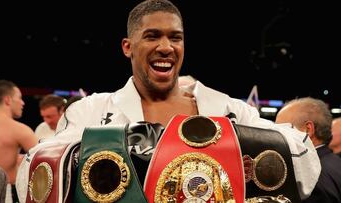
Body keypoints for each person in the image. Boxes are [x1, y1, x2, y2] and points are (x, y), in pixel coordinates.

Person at [17, 0, 320, 201]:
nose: (166, 47)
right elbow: (33, 171)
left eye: (175, 37)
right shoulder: (91, 110)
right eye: (152, 36)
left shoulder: (228, 109)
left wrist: (243, 149)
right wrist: (130, 146)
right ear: (128, 47)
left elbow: (304, 157)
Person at [275, 97, 341, 203]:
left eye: (282, 129)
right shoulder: (335, 162)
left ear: (308, 130)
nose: (275, 136)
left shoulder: (309, 179)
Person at [0, 80, 38, 202]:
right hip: (4, 193)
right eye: (19, 98)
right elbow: (46, 164)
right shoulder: (20, 130)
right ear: (7, 100)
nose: (23, 103)